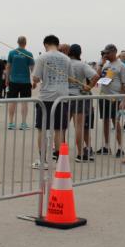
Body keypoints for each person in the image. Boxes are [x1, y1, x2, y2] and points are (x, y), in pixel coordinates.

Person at [31, 34, 70, 168]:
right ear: (57, 45)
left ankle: (43, 160)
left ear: (46, 44)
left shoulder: (42, 57)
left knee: (42, 129)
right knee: (59, 129)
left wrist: (36, 79)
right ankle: (59, 160)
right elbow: (70, 77)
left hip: (46, 97)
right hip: (62, 97)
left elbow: (36, 78)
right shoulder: (66, 58)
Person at [94, 44, 125, 158]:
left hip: (114, 98)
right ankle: (106, 146)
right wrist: (101, 63)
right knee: (105, 121)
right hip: (104, 96)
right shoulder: (105, 64)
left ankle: (120, 148)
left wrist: (122, 99)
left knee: (115, 121)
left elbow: (123, 84)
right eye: (104, 53)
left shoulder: (121, 66)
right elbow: (97, 76)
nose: (105, 55)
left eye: (107, 53)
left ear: (114, 52)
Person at [67, 43, 97, 161]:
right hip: (79, 97)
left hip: (65, 97)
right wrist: (89, 87)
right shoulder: (82, 65)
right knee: (79, 126)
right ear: (79, 53)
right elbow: (95, 76)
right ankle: (80, 154)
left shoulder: (65, 63)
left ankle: (59, 153)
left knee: (62, 127)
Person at [6, 36, 34, 130]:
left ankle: (11, 123)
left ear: (17, 42)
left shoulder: (12, 53)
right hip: (25, 82)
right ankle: (23, 123)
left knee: (12, 102)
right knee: (24, 102)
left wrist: (7, 79)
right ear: (25, 43)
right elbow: (32, 69)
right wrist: (34, 81)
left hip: (13, 81)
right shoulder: (29, 54)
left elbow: (8, 67)